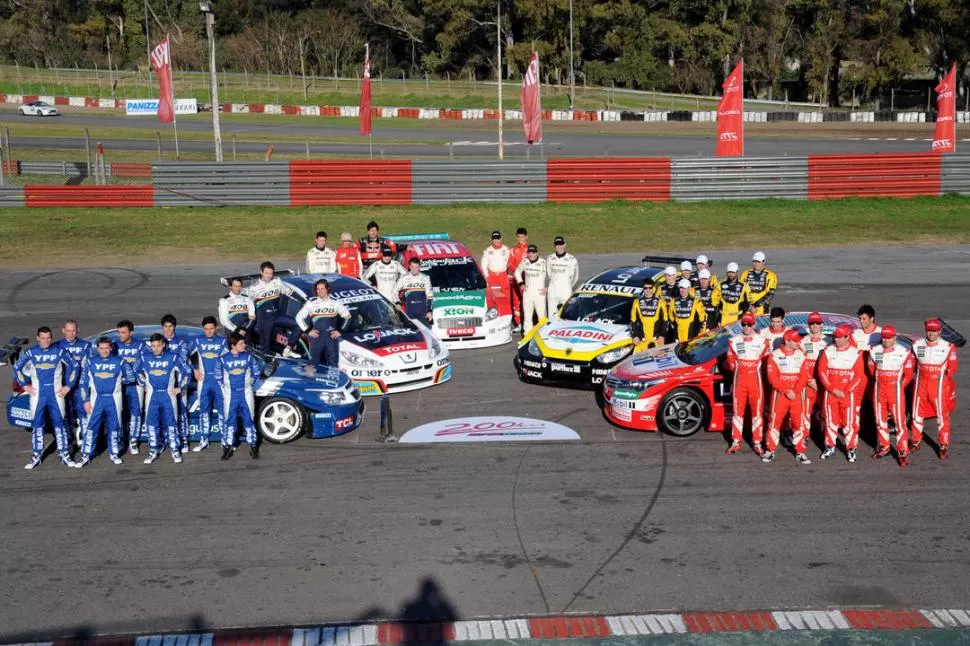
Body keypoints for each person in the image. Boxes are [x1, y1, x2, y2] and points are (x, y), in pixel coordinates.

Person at [15, 326, 80, 469]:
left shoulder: (60, 351)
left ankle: (64, 454)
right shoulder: (30, 352)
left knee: (60, 425)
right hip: (37, 395)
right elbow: (16, 368)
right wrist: (25, 385)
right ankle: (36, 455)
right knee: (37, 425)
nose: (45, 341)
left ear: (51, 338)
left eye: (48, 338)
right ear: (38, 338)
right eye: (43, 338)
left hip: (56, 394)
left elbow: (75, 366)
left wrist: (68, 386)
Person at [76, 336, 136, 467]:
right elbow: (83, 383)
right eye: (101, 348)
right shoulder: (90, 362)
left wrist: (120, 382)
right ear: (97, 348)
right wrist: (85, 400)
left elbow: (131, 377)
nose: (104, 351)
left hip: (114, 398)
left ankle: (114, 453)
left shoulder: (120, 362)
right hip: (96, 399)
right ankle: (86, 454)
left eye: (106, 348)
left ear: (111, 348)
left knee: (114, 427)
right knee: (92, 427)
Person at [138, 333, 191, 464]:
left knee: (171, 423)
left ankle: (174, 449)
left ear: (164, 345)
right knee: (151, 424)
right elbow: (135, 372)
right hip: (152, 396)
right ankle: (153, 450)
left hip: (168, 395)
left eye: (158, 345)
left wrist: (180, 388)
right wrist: (143, 383)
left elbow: (187, 372)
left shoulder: (173, 357)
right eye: (153, 346)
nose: (156, 348)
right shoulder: (145, 358)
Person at [911, 318, 959, 460]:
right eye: (929, 330)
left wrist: (943, 378)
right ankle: (916, 440)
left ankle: (943, 444)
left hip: (938, 386)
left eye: (934, 330)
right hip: (921, 384)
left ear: (940, 331)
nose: (931, 333)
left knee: (941, 416)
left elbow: (953, 367)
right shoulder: (916, 344)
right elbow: (912, 364)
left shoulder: (948, 346)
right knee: (916, 414)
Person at [817, 324, 865, 462]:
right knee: (830, 422)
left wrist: (847, 391)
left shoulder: (856, 353)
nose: (836, 340)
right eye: (835, 337)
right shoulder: (828, 351)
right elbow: (822, 371)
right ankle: (830, 446)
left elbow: (858, 376)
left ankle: (851, 448)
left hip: (847, 395)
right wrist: (832, 389)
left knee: (849, 423)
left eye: (839, 337)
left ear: (847, 337)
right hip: (830, 393)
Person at [867, 325, 915, 465]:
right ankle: (884, 446)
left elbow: (908, 374)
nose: (886, 340)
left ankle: (902, 451)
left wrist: (899, 387)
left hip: (895, 391)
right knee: (880, 420)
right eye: (884, 338)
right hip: (879, 389)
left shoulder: (904, 352)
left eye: (889, 338)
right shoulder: (874, 351)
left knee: (899, 422)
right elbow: (871, 370)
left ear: (894, 337)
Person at [725, 313, 769, 455]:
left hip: (755, 382)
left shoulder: (763, 341)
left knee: (757, 413)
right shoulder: (733, 341)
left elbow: (766, 362)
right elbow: (730, 363)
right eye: (744, 324)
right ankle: (735, 442)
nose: (746, 327)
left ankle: (757, 442)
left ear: (754, 325)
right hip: (739, 382)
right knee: (738, 413)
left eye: (749, 324)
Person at [765, 329, 811, 464]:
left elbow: (804, 376)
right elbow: (772, 377)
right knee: (774, 422)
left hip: (797, 394)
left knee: (799, 423)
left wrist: (795, 391)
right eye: (795, 340)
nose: (799, 342)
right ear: (787, 341)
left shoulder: (801, 355)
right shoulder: (774, 356)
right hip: (780, 394)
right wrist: (786, 390)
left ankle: (800, 451)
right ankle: (770, 450)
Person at [218, 332, 261, 460]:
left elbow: (256, 373)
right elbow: (218, 377)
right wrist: (226, 389)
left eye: (244, 342)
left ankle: (253, 447)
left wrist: (248, 385)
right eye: (241, 343)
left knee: (249, 420)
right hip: (230, 396)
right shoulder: (222, 359)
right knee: (229, 422)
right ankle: (227, 447)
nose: (244, 345)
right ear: (233, 345)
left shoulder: (248, 357)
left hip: (246, 394)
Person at [190, 316, 226, 452]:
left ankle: (225, 440)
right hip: (203, 382)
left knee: (223, 412)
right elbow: (186, 355)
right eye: (206, 329)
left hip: (219, 382)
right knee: (204, 412)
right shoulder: (198, 340)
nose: (209, 332)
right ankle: (203, 440)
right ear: (203, 329)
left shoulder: (223, 341)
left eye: (211, 328)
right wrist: (195, 369)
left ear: (216, 328)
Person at [295, 279, 351, 367]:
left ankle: (333, 380)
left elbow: (347, 317)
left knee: (333, 365)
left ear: (327, 289)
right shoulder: (311, 304)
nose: (320, 291)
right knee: (314, 365)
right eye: (318, 289)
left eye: (322, 289)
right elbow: (298, 317)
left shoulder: (335, 303)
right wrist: (308, 330)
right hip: (316, 339)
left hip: (331, 339)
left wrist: (340, 331)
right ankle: (314, 380)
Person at [57, 319, 92, 445]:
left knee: (83, 414)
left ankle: (85, 441)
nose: (71, 333)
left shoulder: (86, 346)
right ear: (63, 331)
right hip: (63, 388)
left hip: (80, 387)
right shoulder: (57, 346)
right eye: (68, 331)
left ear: (78, 331)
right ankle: (69, 441)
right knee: (65, 414)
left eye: (73, 331)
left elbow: (90, 367)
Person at [160, 313, 191, 452]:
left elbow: (183, 361)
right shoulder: (158, 342)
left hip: (179, 382)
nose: (168, 329)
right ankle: (166, 438)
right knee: (165, 412)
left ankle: (183, 439)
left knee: (182, 411)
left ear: (174, 327)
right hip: (163, 384)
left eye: (170, 326)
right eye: (165, 326)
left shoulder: (181, 342)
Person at [115, 320, 147, 455]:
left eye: (123, 332)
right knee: (118, 413)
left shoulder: (141, 345)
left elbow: (147, 363)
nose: (120, 335)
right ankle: (120, 440)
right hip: (119, 386)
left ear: (131, 332)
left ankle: (133, 440)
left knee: (136, 412)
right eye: (118, 332)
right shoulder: (113, 346)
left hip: (136, 385)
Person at [800, 312, 829, 437]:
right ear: (808, 325)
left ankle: (827, 439)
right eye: (812, 323)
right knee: (805, 411)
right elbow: (800, 363)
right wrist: (809, 380)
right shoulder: (802, 342)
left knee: (827, 410)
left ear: (822, 324)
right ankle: (804, 436)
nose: (815, 326)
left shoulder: (829, 341)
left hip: (824, 381)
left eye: (817, 323)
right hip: (808, 381)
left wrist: (824, 381)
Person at [250, 262, 285, 354]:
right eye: (267, 273)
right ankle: (265, 364)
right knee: (265, 348)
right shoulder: (254, 287)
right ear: (261, 272)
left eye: (271, 273)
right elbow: (248, 304)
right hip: (264, 321)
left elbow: (288, 292)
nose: (269, 276)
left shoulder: (277, 282)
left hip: (277, 318)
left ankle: (287, 350)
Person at [514, 243, 547, 335]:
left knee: (542, 317)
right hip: (528, 293)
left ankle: (543, 336)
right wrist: (521, 284)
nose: (531, 254)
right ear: (527, 253)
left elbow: (553, 276)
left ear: (537, 253)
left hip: (539, 294)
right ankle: (527, 336)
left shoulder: (544, 263)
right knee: (527, 317)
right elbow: (517, 272)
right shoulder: (524, 261)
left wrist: (548, 288)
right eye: (529, 252)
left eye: (533, 252)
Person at [481, 231, 512, 321]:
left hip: (503, 276)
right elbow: (484, 264)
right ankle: (496, 319)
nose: (496, 241)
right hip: (493, 277)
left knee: (506, 298)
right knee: (496, 298)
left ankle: (506, 320)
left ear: (501, 238)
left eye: (498, 238)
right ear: (492, 240)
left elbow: (510, 263)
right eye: (494, 239)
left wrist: (509, 275)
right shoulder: (487, 250)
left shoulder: (507, 250)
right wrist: (487, 276)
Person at [545, 236, 579, 315]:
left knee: (567, 314)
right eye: (557, 245)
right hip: (553, 290)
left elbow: (575, 277)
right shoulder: (550, 258)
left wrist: (567, 286)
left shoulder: (572, 259)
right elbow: (549, 274)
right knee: (551, 315)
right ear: (554, 245)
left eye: (561, 244)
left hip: (565, 291)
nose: (559, 246)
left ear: (564, 245)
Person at [631, 280, 668, 351]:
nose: (648, 290)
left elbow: (665, 320)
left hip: (657, 339)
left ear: (653, 288)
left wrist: (662, 335)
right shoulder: (636, 302)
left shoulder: (661, 302)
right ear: (643, 289)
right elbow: (633, 321)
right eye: (645, 288)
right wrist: (635, 336)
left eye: (650, 288)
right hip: (642, 339)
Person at [394, 258, 435, 323]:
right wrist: (397, 303)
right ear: (409, 267)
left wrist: (429, 311)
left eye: (416, 267)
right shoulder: (404, 278)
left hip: (423, 311)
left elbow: (429, 295)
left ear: (419, 267)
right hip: (409, 311)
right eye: (412, 267)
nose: (414, 269)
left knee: (425, 332)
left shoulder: (425, 277)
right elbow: (394, 291)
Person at [667, 278, 705, 343]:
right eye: (681, 288)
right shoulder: (673, 301)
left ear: (689, 289)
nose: (682, 290)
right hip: (678, 332)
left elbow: (702, 318)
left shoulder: (696, 301)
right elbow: (671, 317)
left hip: (691, 332)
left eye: (685, 288)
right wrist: (675, 326)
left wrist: (700, 330)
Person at [740, 251, 778, 316]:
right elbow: (741, 292)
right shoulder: (745, 273)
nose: (756, 264)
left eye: (758, 262)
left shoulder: (771, 275)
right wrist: (750, 307)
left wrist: (755, 306)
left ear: (764, 262)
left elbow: (770, 294)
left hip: (762, 312)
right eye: (754, 261)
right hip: (747, 310)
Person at [508, 228, 530, 332]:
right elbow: (510, 264)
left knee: (528, 301)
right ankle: (519, 323)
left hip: (527, 280)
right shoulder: (513, 250)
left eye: (522, 236)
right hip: (517, 279)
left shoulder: (530, 249)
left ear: (526, 237)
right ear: (516, 237)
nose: (521, 239)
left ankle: (529, 321)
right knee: (516, 301)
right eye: (519, 237)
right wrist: (516, 273)